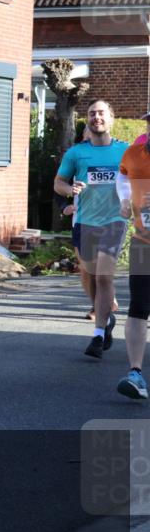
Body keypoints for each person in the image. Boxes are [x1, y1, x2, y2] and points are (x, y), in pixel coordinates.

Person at [54, 100, 129, 359]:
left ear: (111, 118)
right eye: (92, 114)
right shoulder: (76, 153)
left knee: (104, 276)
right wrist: (69, 190)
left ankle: (98, 334)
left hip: (115, 222)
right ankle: (107, 319)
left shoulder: (125, 151)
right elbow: (59, 182)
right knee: (89, 273)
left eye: (101, 113)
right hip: (86, 222)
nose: (96, 117)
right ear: (88, 120)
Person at [115, 111, 150, 399]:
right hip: (143, 241)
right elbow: (122, 177)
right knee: (138, 304)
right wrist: (125, 200)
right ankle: (135, 373)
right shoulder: (133, 153)